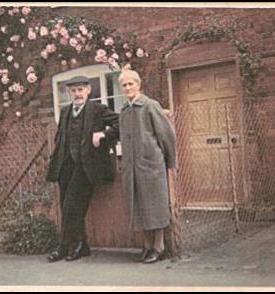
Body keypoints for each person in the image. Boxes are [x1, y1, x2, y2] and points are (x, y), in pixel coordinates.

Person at [46, 75, 119, 262]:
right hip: (66, 165)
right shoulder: (65, 111)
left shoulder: (97, 109)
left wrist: (103, 134)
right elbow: (60, 137)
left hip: (87, 167)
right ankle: (78, 245)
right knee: (66, 206)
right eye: (73, 91)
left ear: (88, 90)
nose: (77, 94)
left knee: (72, 206)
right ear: (69, 93)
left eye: (80, 90)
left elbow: (120, 123)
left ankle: (69, 246)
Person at [118, 69, 177, 264]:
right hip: (132, 167)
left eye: (130, 84)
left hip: (152, 165)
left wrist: (169, 162)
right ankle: (147, 245)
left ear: (138, 85)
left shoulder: (151, 106)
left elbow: (167, 135)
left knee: (155, 206)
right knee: (138, 205)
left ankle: (159, 247)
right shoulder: (124, 111)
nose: (127, 88)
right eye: (124, 85)